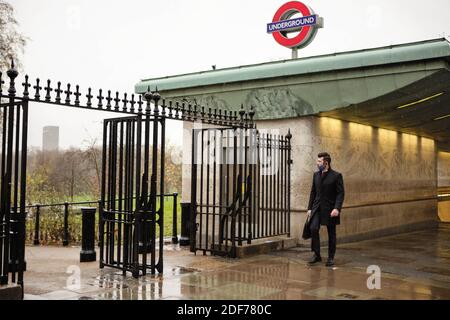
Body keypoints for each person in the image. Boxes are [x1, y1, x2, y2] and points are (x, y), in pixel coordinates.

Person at [306, 152, 345, 267]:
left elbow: (340, 193)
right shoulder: (316, 175)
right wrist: (309, 208)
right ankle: (317, 255)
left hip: (330, 209)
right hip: (317, 208)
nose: (317, 163)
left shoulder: (336, 176)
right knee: (313, 228)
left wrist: (337, 208)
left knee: (331, 233)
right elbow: (313, 193)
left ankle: (331, 257)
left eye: (319, 161)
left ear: (326, 163)